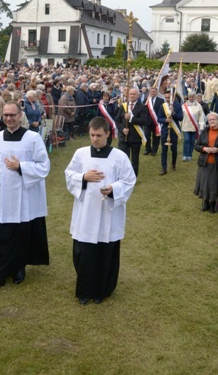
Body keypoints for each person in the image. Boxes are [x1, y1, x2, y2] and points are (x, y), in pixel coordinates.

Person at [0, 102, 50, 293]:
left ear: (20, 115)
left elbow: (43, 165)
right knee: (1, 231)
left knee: (22, 231)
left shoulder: (32, 138)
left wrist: (21, 166)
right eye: (6, 115)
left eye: (12, 115)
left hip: (25, 194)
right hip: (4, 192)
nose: (8, 118)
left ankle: (19, 266)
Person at [64, 117, 136, 305]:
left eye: (98, 135)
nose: (95, 139)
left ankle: (102, 291)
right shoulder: (80, 154)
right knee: (84, 251)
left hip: (107, 213)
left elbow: (129, 181)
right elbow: (69, 175)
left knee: (105, 252)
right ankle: (84, 290)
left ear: (108, 134)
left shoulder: (119, 156)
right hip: (86, 211)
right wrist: (83, 177)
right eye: (92, 135)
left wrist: (113, 189)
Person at [194, 112, 218, 213]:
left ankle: (213, 204)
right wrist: (204, 148)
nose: (212, 121)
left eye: (214, 119)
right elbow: (197, 146)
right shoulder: (204, 132)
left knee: (215, 184)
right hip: (204, 162)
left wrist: (217, 150)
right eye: (210, 120)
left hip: (217, 163)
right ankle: (205, 203)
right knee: (205, 183)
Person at [115, 88, 147, 177]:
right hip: (123, 137)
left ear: (138, 96)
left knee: (134, 158)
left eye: (134, 94)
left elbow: (144, 121)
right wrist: (122, 129)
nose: (132, 96)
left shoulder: (142, 107)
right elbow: (117, 120)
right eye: (131, 94)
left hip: (135, 137)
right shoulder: (124, 106)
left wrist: (131, 119)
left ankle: (133, 176)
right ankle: (123, 175)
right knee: (123, 158)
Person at [158, 91, 183, 175]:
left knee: (174, 149)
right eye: (166, 97)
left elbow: (181, 118)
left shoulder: (178, 105)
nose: (167, 99)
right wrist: (165, 120)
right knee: (164, 150)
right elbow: (159, 118)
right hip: (165, 130)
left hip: (174, 130)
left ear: (172, 97)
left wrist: (174, 113)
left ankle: (173, 164)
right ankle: (164, 168)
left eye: (169, 97)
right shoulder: (162, 106)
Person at [181, 91, 206, 162]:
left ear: (195, 97)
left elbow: (201, 117)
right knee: (186, 140)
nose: (191, 98)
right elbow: (181, 116)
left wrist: (201, 126)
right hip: (186, 126)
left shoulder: (199, 106)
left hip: (195, 127)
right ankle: (184, 155)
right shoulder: (184, 106)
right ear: (188, 97)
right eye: (190, 97)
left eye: (192, 97)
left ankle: (189, 155)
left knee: (192, 141)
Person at [143, 87, 163, 157]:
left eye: (154, 91)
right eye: (151, 92)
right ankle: (147, 149)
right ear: (149, 92)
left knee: (156, 137)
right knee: (146, 135)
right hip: (147, 122)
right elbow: (143, 110)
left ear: (157, 92)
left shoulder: (161, 100)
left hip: (156, 122)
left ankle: (154, 150)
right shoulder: (146, 100)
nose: (152, 93)